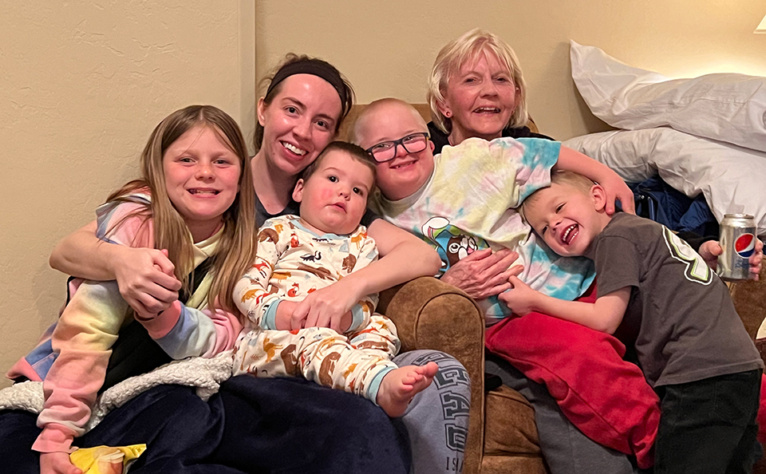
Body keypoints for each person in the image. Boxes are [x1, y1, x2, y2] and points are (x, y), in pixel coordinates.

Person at [47, 55, 470, 474]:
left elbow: (422, 253)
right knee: (356, 424)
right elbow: (68, 250)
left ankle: (374, 384)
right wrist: (122, 261)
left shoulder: (333, 205)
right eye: (292, 110)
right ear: (263, 109)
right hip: (244, 356)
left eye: (322, 123)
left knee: (439, 374)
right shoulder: (214, 189)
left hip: (324, 343)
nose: (302, 131)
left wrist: (346, 292)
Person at [422, 28, 764, 473]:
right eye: (471, 80)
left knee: (726, 377)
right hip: (517, 308)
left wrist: (701, 253)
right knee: (585, 360)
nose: (489, 90)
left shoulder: (546, 159)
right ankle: (674, 449)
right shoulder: (422, 170)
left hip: (601, 288)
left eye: (501, 80)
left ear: (517, 95)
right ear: (443, 102)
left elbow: (630, 235)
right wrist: (446, 285)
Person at [351, 98, 660, 468]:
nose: (401, 152)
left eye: (411, 139)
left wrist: (605, 175)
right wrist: (447, 284)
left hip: (577, 276)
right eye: (382, 147)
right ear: (364, 159)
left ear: (430, 142)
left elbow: (545, 153)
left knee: (665, 316)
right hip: (509, 318)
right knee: (582, 356)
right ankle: (663, 446)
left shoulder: (471, 158)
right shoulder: (377, 218)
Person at [5, 105, 258, 474]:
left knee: (192, 417)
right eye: (186, 159)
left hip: (141, 393)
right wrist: (58, 434)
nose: (205, 172)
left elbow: (223, 338)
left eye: (222, 161)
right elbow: (87, 327)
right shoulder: (136, 223)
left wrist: (164, 316)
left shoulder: (243, 248)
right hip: (60, 388)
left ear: (241, 175)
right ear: (159, 169)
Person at [506, 170, 764, 472]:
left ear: (597, 197)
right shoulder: (643, 230)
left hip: (699, 372)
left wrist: (535, 301)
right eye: (544, 229)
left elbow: (604, 319)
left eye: (560, 207)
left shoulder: (615, 238)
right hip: (739, 366)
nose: (554, 224)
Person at [233, 141, 438, 416]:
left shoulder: (363, 244)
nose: (344, 192)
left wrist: (342, 320)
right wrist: (283, 314)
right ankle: (378, 384)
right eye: (332, 179)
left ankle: (365, 375)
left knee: (381, 325)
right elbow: (245, 285)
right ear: (300, 189)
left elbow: (367, 301)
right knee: (316, 338)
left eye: (358, 191)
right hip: (270, 339)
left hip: (337, 331)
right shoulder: (278, 229)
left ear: (364, 208)